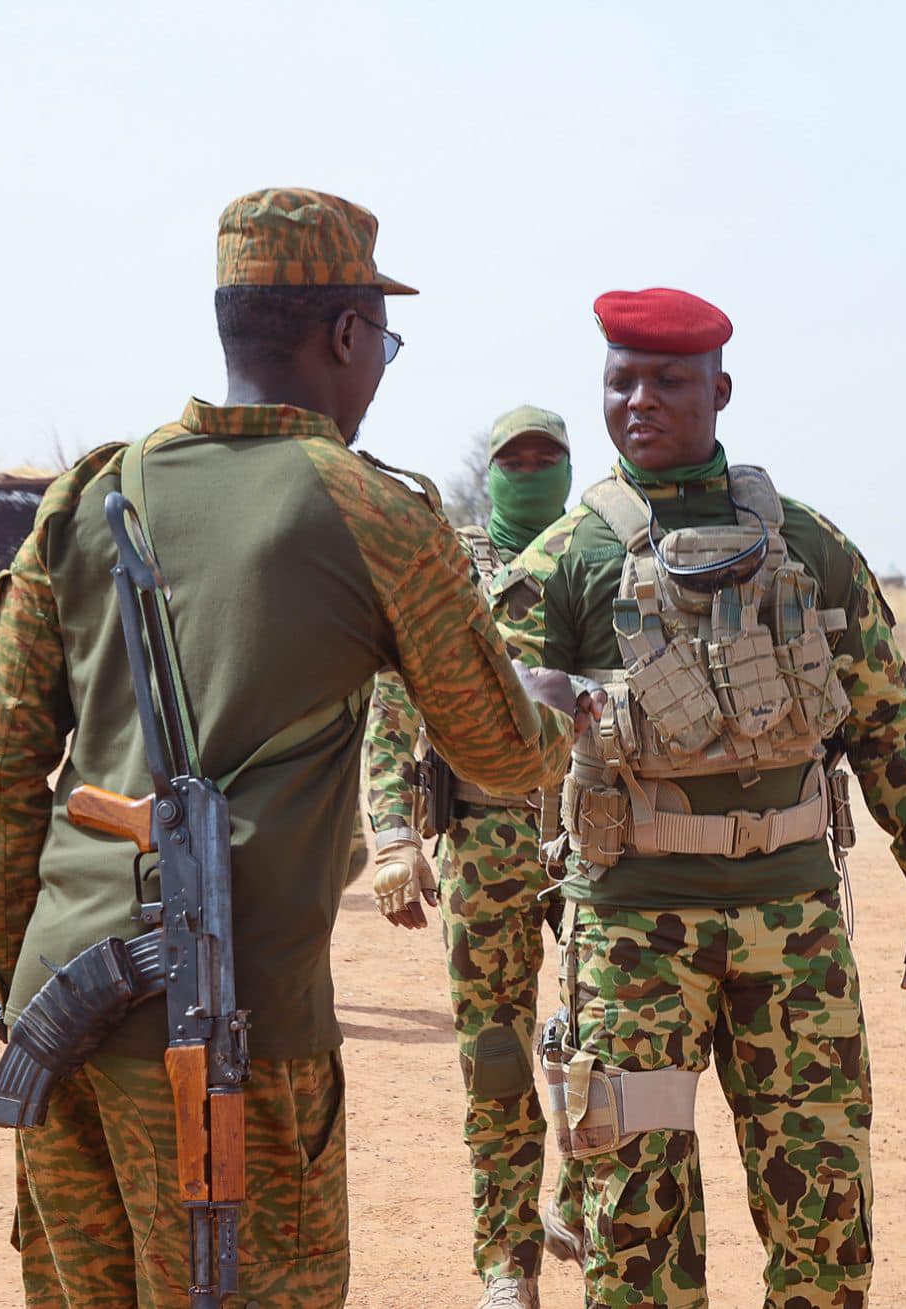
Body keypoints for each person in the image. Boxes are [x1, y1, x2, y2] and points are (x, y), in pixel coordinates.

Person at [0, 188, 584, 1308]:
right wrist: (547, 710)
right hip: (233, 1033)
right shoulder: (371, 508)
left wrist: (37, 982)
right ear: (344, 333)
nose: (381, 361)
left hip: (59, 1022)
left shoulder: (93, 493)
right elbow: (492, 752)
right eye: (380, 338)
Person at [490, 287, 906, 1309]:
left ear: (720, 387)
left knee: (824, 1211)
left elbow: (888, 725)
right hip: (630, 936)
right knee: (637, 1220)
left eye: (666, 381)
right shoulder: (565, 565)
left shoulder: (806, 544)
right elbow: (504, 761)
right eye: (620, 382)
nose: (639, 401)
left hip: (792, 923)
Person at [365, 404, 581, 1309]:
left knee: (608, 1046)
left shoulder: (600, 556)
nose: (528, 470)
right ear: (489, 471)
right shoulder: (445, 567)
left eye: (545, 458)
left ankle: (586, 1209)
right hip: (484, 840)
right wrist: (392, 834)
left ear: (568, 469)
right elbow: (391, 705)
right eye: (513, 458)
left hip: (594, 837)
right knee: (496, 1054)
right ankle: (507, 1258)